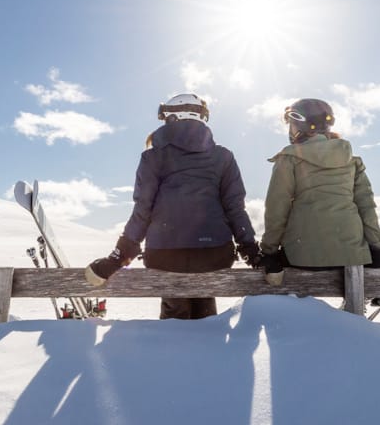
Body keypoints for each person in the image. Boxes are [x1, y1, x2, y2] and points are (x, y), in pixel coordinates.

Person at [84, 93, 260, 319]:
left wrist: (118, 257)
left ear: (171, 117)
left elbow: (142, 210)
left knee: (174, 326)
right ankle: (211, 347)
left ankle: (175, 350)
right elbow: (235, 207)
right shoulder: (223, 156)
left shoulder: (153, 157)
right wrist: (251, 250)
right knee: (207, 321)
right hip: (214, 255)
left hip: (165, 256)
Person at [257, 98, 380, 286]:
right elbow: (367, 207)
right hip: (351, 253)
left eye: (292, 125)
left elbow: (277, 208)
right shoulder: (351, 160)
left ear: (301, 126)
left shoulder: (289, 158)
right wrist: (377, 249)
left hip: (301, 254)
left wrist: (269, 251)